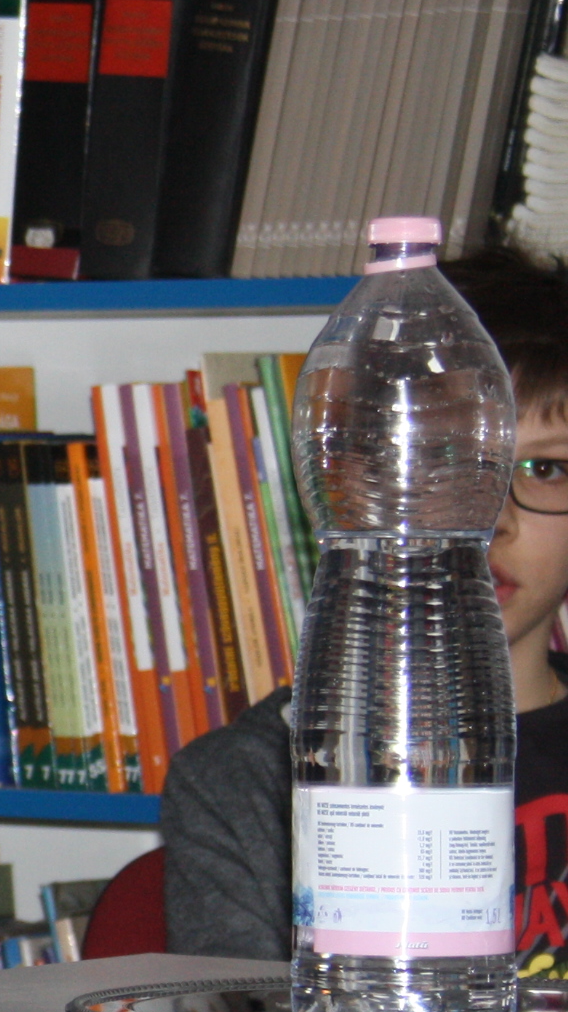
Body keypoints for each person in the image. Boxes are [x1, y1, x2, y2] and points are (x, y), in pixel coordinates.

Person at [162, 245, 568, 966]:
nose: (489, 518)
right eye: (441, 458)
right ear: (351, 480)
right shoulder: (247, 779)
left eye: (546, 468)